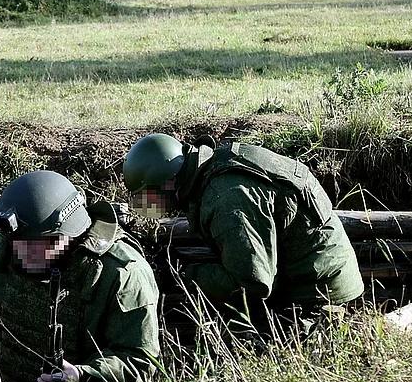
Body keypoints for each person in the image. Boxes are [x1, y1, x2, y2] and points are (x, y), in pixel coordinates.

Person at [122, 134, 364, 336]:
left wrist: (182, 274)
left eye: (151, 196)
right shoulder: (218, 167)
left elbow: (251, 283)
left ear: (169, 182)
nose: (151, 205)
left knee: (231, 343)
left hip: (317, 300)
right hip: (311, 280)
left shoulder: (225, 199)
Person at [0, 170, 160, 382]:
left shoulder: (123, 272)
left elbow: (140, 359)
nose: (24, 254)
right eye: (19, 244)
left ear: (68, 234)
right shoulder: (3, 256)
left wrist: (81, 377)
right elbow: (0, 329)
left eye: (37, 245)